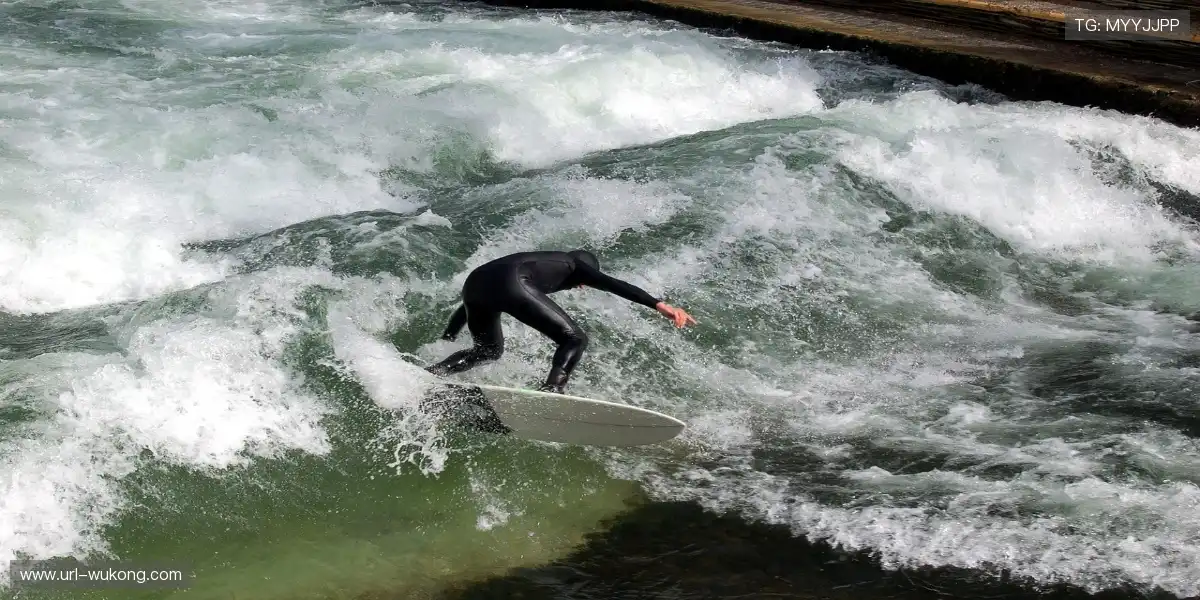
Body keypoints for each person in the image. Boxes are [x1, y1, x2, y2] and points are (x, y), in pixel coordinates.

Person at [426, 249, 696, 394]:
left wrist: (449, 335)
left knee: (487, 351)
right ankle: (552, 388)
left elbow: (469, 305)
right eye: (584, 282)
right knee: (575, 338)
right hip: (511, 283)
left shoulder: (543, 262)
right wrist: (660, 305)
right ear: (585, 274)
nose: (579, 287)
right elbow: (613, 284)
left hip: (475, 284)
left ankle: (431, 375)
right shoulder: (572, 265)